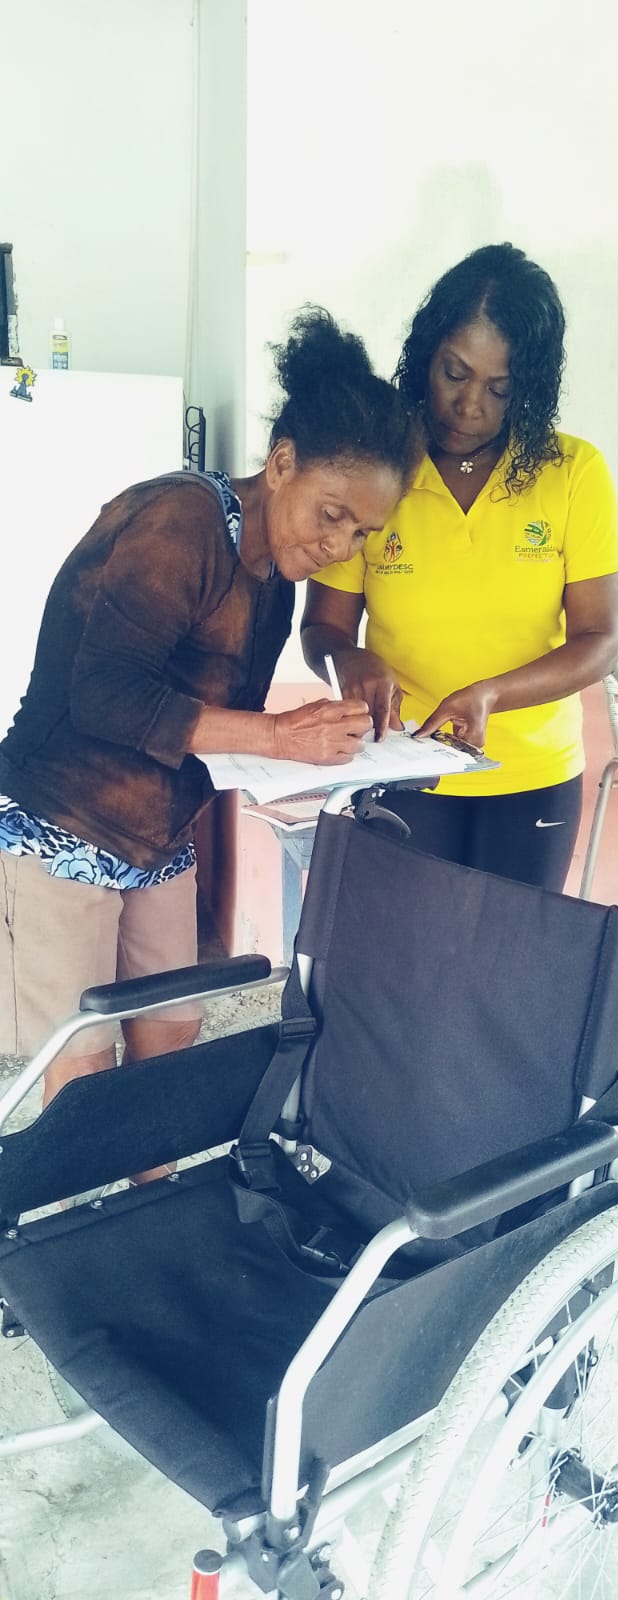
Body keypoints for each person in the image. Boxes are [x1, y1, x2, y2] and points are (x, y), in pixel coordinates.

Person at [0, 307, 421, 1148]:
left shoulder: (272, 580)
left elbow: (213, 722)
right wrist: (280, 738)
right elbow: (105, 696)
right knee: (82, 1064)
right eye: (332, 513)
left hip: (159, 832)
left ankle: (150, 1191)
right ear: (282, 463)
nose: (342, 545)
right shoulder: (180, 522)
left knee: (172, 1031)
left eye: (364, 532)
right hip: (64, 822)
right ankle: (80, 1216)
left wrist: (319, 752)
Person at [301, 244, 618, 891]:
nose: (469, 405)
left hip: (534, 776)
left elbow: (600, 639)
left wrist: (492, 695)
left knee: (509, 950)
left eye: (498, 388)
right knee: (407, 947)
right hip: (401, 763)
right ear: (425, 356)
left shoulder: (574, 474)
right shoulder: (379, 469)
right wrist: (349, 659)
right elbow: (323, 628)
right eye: (454, 373)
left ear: (528, 389)